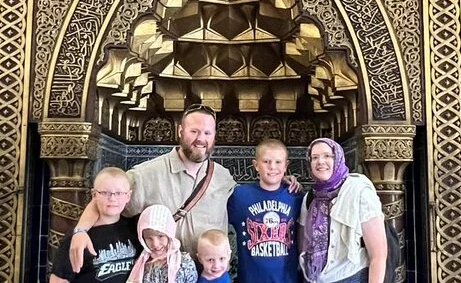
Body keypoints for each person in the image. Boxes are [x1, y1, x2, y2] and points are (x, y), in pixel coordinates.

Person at [70, 104, 299, 272]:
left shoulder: (222, 177)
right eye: (194, 131)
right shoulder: (148, 174)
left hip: (211, 275)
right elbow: (105, 198)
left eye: (207, 133)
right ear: (180, 131)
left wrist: (282, 181)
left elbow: (255, 196)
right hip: (165, 274)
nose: (201, 139)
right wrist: (80, 232)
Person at [298, 138, 387, 283]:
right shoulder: (310, 198)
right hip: (314, 278)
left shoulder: (358, 192)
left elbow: (378, 254)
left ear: (338, 158)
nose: (320, 161)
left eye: (327, 156)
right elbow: (303, 246)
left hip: (351, 276)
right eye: (314, 157)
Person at [227, 138, 303, 283]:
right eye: (266, 161)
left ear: (286, 165)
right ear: (256, 165)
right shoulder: (239, 196)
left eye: (278, 162)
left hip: (287, 279)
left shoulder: (296, 196)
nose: (272, 167)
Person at [50, 167, 141, 283]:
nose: (112, 198)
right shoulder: (77, 239)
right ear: (94, 195)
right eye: (105, 193)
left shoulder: (134, 229)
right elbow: (58, 280)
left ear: (128, 196)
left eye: (119, 193)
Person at [127, 204, 198, 283]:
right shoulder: (140, 264)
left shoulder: (184, 263)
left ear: (169, 234)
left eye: (161, 236)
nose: (155, 244)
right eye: (149, 238)